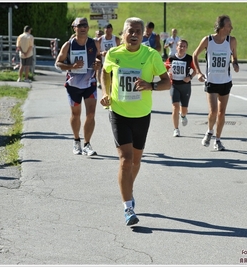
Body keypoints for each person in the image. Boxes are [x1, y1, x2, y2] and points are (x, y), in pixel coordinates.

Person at [100, 17, 171, 226]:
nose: (134, 35)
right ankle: (128, 206)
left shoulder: (151, 55)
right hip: (119, 112)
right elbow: (104, 72)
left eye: (138, 31)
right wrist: (106, 93)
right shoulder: (114, 54)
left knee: (136, 162)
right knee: (125, 159)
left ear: (143, 35)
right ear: (123, 34)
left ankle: (128, 190)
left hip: (141, 115)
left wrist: (151, 85)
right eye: (130, 31)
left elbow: (166, 82)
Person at [55, 17, 102, 156]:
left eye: (85, 25)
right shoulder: (68, 45)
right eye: (79, 25)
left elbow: (99, 57)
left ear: (88, 28)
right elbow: (58, 63)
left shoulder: (94, 43)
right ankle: (76, 141)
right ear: (74, 28)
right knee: (76, 115)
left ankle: (87, 144)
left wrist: (98, 63)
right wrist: (71, 66)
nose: (83, 27)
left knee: (91, 114)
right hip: (73, 85)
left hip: (90, 83)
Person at [192, 15, 239, 151]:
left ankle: (217, 140)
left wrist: (235, 64)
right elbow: (195, 55)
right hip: (211, 81)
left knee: (221, 113)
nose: (232, 27)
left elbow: (234, 57)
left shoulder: (232, 41)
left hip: (225, 81)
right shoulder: (208, 40)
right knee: (213, 112)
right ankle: (209, 131)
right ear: (222, 27)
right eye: (229, 25)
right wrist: (199, 73)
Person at [165, 39, 196, 137]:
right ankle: (176, 129)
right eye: (180, 46)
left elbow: (196, 70)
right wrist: (168, 74)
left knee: (184, 109)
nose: (181, 48)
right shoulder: (171, 58)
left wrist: (190, 77)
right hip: (174, 85)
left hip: (185, 86)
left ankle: (183, 116)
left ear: (186, 48)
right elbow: (164, 69)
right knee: (175, 107)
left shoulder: (189, 59)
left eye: (184, 46)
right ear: (176, 47)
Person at [97, 23, 121, 89]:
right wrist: (102, 53)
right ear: (104, 31)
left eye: (110, 31)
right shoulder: (100, 40)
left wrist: (114, 53)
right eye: (107, 31)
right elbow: (97, 52)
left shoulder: (116, 39)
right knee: (106, 85)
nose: (108, 33)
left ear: (112, 30)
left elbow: (121, 51)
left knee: (114, 84)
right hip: (105, 64)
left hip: (115, 64)